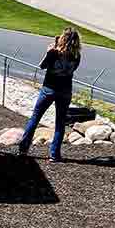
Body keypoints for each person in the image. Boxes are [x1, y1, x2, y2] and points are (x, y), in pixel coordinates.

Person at [17, 28, 82, 162]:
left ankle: (23, 149)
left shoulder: (54, 52)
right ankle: (54, 154)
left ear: (63, 38)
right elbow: (73, 69)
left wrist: (48, 53)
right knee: (60, 123)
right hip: (65, 91)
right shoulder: (76, 56)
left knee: (35, 118)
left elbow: (42, 66)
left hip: (49, 89)